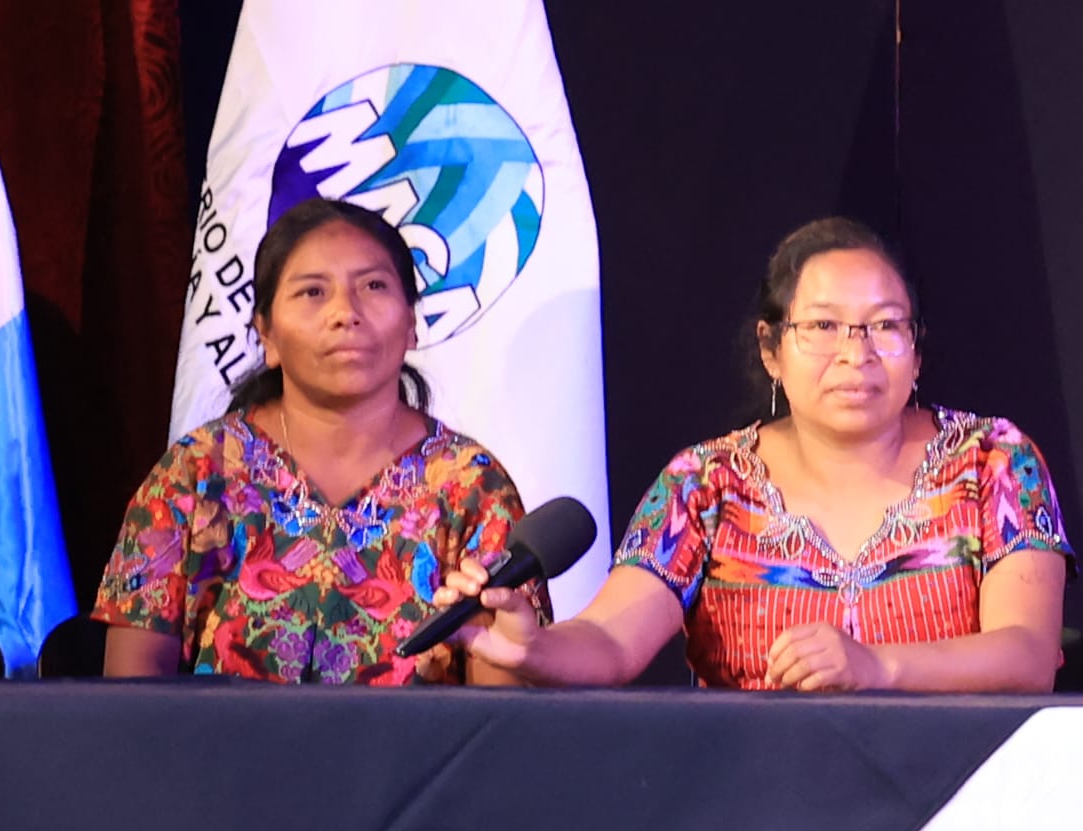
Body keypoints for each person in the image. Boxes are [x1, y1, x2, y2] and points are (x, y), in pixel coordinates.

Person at [440, 216, 1072, 692]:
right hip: (751, 796)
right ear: (771, 350)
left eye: (885, 325)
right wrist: (531, 650)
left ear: (918, 350)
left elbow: (1028, 655)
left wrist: (877, 666)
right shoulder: (706, 483)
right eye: (823, 326)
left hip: (961, 799)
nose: (856, 354)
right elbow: (610, 641)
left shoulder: (994, 460)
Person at [94, 197, 534, 684]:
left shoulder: (472, 487)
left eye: (373, 286)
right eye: (312, 292)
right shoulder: (196, 473)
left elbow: (501, 704)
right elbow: (129, 690)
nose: (345, 312)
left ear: (411, 324)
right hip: (213, 738)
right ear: (266, 334)